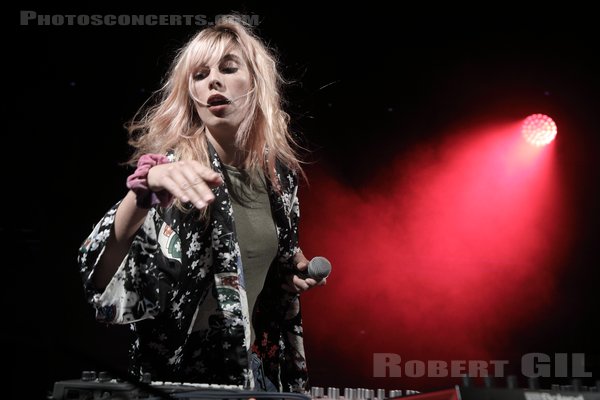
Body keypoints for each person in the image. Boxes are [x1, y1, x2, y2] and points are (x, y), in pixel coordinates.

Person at [77, 15, 326, 393]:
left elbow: (256, 266)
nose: (213, 80)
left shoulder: (280, 178)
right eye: (200, 74)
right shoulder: (176, 174)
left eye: (228, 68)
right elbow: (100, 276)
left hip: (251, 374)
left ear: (256, 83)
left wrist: (289, 272)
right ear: (191, 95)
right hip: (180, 382)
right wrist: (143, 190)